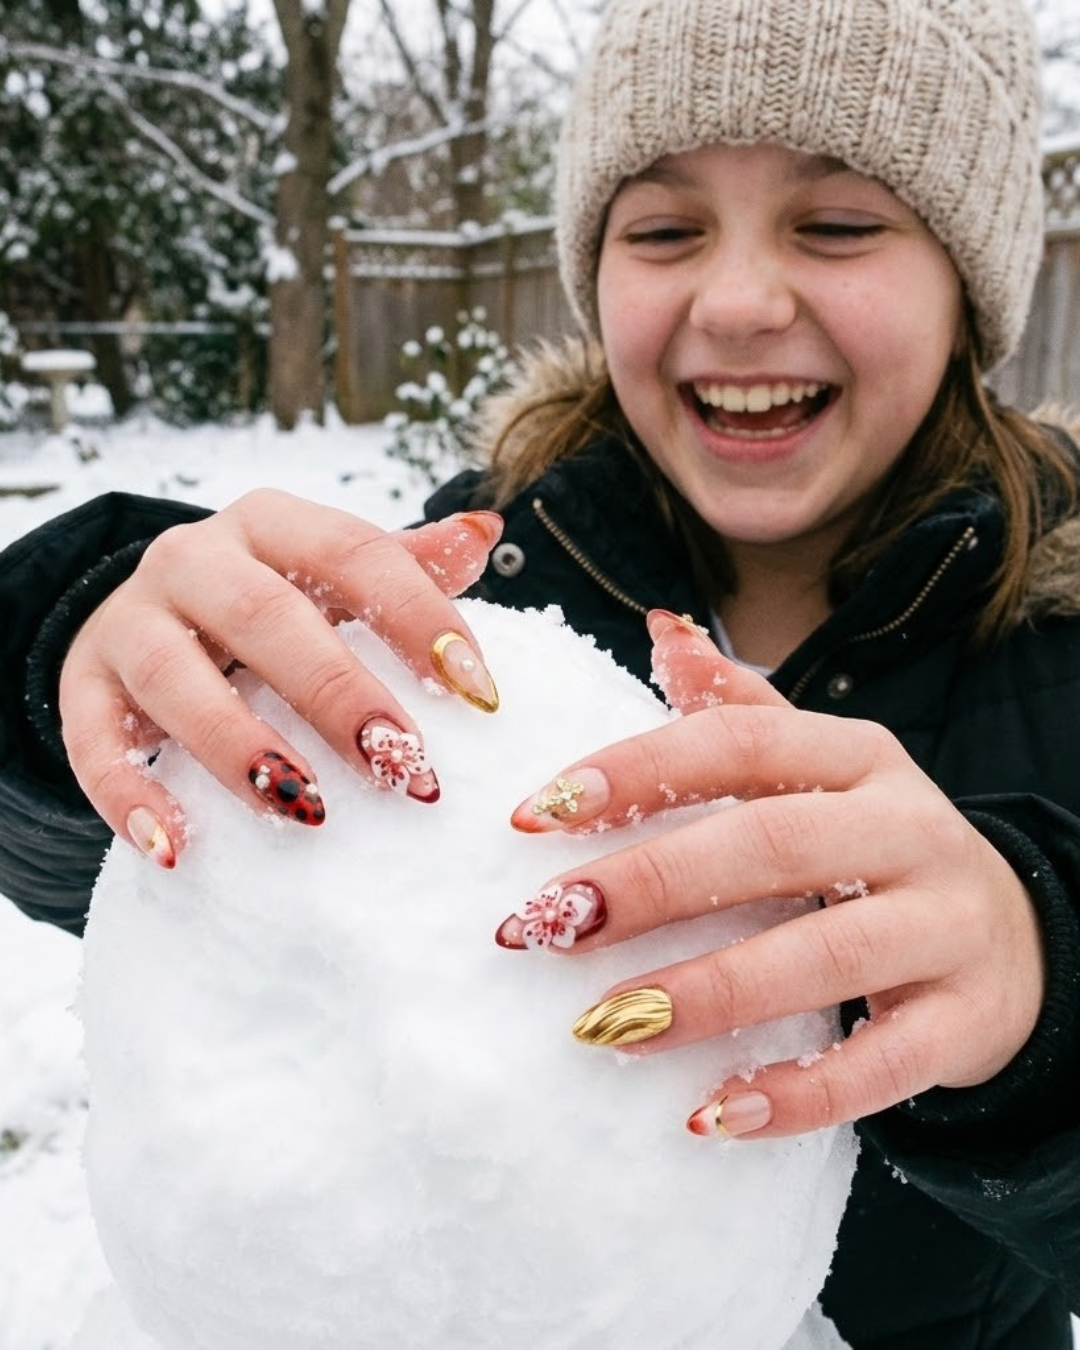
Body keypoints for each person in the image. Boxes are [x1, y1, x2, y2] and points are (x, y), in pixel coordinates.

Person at [2, 0, 1079, 1344]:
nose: (738, 300)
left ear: (969, 278)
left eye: (840, 222)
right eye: (666, 228)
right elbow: (124, 885)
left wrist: (1042, 982)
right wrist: (82, 660)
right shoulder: (478, 585)